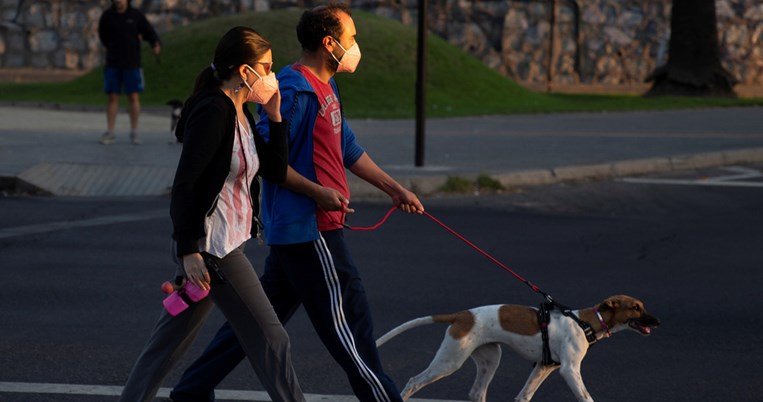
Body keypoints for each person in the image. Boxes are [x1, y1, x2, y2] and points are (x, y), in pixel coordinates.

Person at [165, 4, 425, 402]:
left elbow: (346, 146)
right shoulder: (293, 89)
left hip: (302, 231)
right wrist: (318, 193)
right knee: (350, 327)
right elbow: (271, 163)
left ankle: (190, 391)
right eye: (351, 39)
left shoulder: (327, 86)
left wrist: (394, 188)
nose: (356, 47)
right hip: (309, 229)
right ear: (329, 43)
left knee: (251, 327)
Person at [118, 26, 305, 402]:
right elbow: (186, 184)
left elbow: (274, 168)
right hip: (212, 249)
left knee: (168, 341)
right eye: (266, 68)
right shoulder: (213, 112)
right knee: (272, 338)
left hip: (221, 242)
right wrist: (189, 250)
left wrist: (276, 115)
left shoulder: (241, 111)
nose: (272, 76)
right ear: (243, 70)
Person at [97, 0, 161, 145]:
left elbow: (148, 31)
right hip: (113, 63)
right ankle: (110, 132)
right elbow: (103, 36)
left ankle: (134, 132)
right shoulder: (107, 16)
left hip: (132, 63)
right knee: (113, 97)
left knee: (133, 96)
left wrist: (155, 43)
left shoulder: (135, 15)